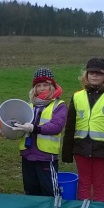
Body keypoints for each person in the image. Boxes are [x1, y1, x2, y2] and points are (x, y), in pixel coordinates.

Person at [61, 57, 104, 202]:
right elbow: (70, 127)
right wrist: (66, 153)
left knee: (99, 185)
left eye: (99, 73)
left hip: (103, 150)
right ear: (86, 75)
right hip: (81, 148)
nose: (95, 75)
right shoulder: (77, 96)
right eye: (91, 72)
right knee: (83, 183)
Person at [12, 68, 67, 197]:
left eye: (45, 85)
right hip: (28, 154)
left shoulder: (59, 105)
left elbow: (56, 126)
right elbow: (20, 122)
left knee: (50, 190)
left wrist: (34, 128)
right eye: (38, 86)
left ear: (52, 86)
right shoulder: (29, 105)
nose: (42, 88)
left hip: (46, 157)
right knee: (30, 189)